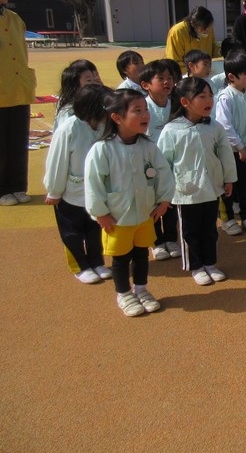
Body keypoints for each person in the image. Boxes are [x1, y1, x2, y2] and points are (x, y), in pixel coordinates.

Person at [84, 89, 174, 317]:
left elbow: (164, 173)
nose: (145, 115)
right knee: (121, 258)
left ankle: (141, 289)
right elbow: (93, 183)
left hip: (145, 213)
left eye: (145, 110)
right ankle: (124, 293)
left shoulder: (149, 147)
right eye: (137, 111)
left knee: (142, 254)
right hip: (116, 217)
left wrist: (164, 200)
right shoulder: (102, 149)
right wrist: (100, 213)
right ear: (117, 117)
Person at [158, 78, 237, 286]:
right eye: (202, 96)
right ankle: (196, 266)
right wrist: (164, 192)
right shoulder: (171, 130)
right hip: (186, 192)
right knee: (189, 232)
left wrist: (228, 178)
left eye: (210, 95)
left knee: (210, 230)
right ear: (185, 102)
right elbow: (163, 164)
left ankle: (210, 263)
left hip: (211, 188)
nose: (209, 100)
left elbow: (225, 154)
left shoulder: (215, 127)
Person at [44, 84, 112, 284]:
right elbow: (57, 162)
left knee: (94, 229)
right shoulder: (69, 129)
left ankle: (97, 262)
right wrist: (54, 191)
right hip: (71, 194)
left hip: (96, 193)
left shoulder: (104, 126)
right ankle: (80, 266)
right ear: (93, 108)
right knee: (72, 233)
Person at [0, 0, 37, 206]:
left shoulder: (15, 19)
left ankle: (18, 186)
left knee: (18, 141)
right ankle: (2, 189)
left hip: (19, 89)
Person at [139, 60, 180, 260]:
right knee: (151, 203)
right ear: (145, 84)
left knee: (170, 201)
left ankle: (171, 238)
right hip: (148, 165)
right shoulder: (142, 107)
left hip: (172, 164)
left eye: (170, 78)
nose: (167, 82)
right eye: (161, 78)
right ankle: (156, 241)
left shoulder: (177, 104)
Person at [215, 52, 246, 236]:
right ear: (231, 76)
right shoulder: (226, 97)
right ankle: (228, 219)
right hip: (230, 151)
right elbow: (225, 125)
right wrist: (240, 146)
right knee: (229, 185)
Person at [165, 6, 220, 74]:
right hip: (183, 73)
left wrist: (222, 51)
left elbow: (213, 48)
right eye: (204, 28)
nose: (207, 30)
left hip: (203, 70)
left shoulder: (208, 29)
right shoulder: (177, 32)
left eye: (209, 27)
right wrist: (195, 70)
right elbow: (173, 62)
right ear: (193, 24)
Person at [53, 60, 103, 131]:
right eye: (89, 80)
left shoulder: (94, 103)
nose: (94, 83)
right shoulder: (69, 113)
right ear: (75, 86)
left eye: (95, 77)